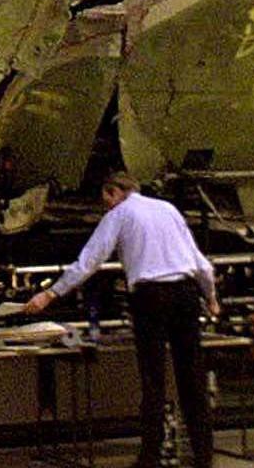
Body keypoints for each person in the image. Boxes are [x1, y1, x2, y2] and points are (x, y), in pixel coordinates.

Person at [23, 171, 218, 468]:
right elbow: (200, 262)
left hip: (150, 297)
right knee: (191, 377)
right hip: (186, 293)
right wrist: (212, 297)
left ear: (114, 191)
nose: (106, 206)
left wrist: (50, 294)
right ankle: (204, 456)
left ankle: (149, 457)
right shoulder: (168, 209)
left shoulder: (120, 214)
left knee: (153, 380)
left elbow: (89, 260)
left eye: (106, 198)